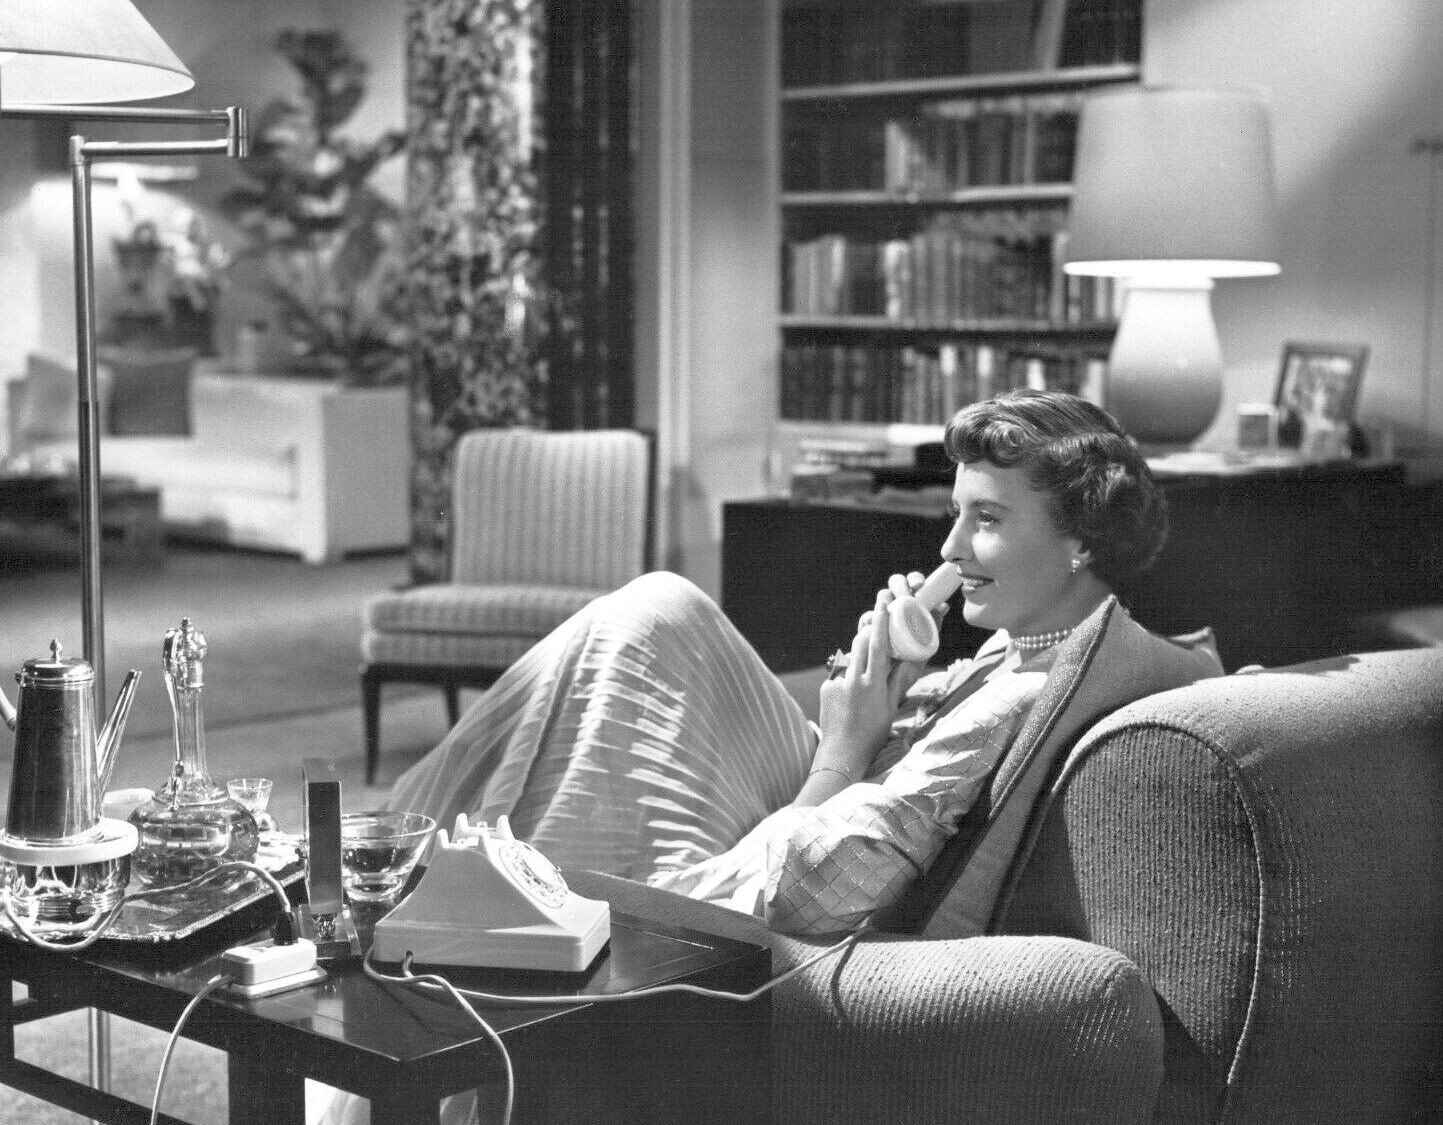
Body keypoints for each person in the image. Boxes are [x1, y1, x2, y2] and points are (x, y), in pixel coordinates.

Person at [383, 389, 1173, 939]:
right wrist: (890, 685)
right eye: (955, 514)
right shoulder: (1030, 647)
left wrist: (843, 750)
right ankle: (413, 860)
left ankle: (404, 863)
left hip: (777, 854)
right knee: (634, 632)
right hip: (806, 788)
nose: (949, 547)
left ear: (1079, 540)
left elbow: (806, 893)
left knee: (634, 635)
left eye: (986, 520)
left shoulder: (1019, 698)